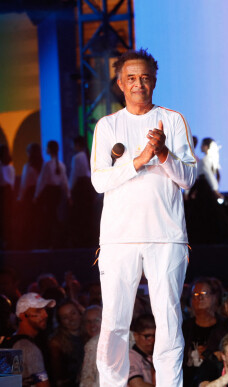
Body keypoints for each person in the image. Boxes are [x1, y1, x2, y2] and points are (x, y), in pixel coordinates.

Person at [90, 48, 197, 386]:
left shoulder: (173, 120)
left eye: (145, 78)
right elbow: (99, 180)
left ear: (154, 81)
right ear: (120, 83)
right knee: (115, 323)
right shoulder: (108, 125)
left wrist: (163, 153)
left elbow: (189, 178)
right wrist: (139, 159)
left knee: (168, 320)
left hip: (166, 236)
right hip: (119, 238)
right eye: (132, 78)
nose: (139, 84)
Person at [3, 293, 56, 387]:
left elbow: (7, 383)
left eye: (45, 310)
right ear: (22, 315)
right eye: (38, 310)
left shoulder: (11, 341)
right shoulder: (29, 348)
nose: (45, 315)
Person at [48, 300, 85, 387]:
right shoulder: (56, 344)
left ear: (80, 313)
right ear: (60, 322)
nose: (71, 319)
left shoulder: (89, 334)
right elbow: (58, 377)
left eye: (73, 313)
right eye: (65, 317)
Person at [128, 314, 156, 387]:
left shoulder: (156, 355)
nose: (152, 340)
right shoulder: (131, 357)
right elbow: (137, 384)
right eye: (147, 336)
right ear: (136, 336)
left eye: (155, 336)